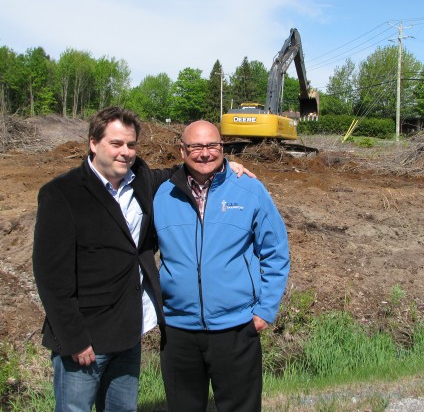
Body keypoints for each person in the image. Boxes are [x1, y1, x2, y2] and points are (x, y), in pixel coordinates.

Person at [32, 108, 251, 412]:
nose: (125, 152)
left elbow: (188, 167)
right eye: (116, 143)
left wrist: (225, 165)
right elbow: (50, 277)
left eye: (131, 145)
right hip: (86, 338)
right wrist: (74, 338)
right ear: (94, 143)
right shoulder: (61, 194)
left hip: (128, 332)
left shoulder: (142, 181)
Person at [153, 120, 291, 412]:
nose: (205, 153)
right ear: (182, 150)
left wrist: (265, 309)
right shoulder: (161, 194)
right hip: (178, 332)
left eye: (212, 145)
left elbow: (276, 251)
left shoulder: (249, 190)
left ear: (222, 147)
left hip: (236, 329)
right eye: (196, 146)